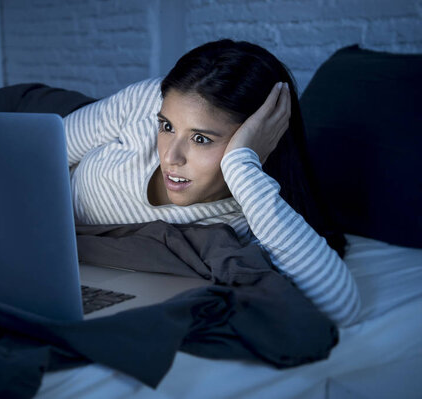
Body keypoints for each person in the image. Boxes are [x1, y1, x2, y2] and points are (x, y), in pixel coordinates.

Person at [63, 39, 360, 327]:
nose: (170, 157)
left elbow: (341, 309)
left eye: (201, 139)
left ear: (260, 138)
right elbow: (41, 152)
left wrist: (242, 166)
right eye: (167, 127)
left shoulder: (252, 218)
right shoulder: (146, 102)